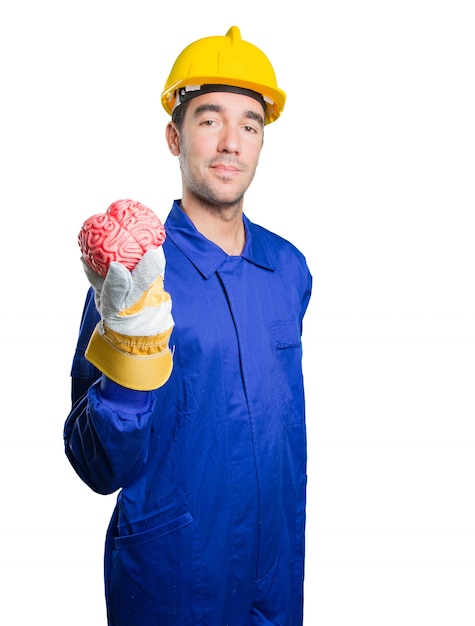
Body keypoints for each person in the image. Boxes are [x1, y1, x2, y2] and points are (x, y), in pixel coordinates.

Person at [64, 25, 312, 626]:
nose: (231, 142)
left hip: (275, 570)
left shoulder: (288, 269)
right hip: (174, 576)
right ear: (174, 136)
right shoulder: (135, 280)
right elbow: (96, 465)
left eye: (249, 124)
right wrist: (128, 350)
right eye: (209, 120)